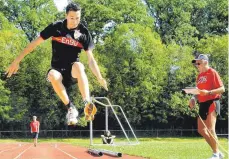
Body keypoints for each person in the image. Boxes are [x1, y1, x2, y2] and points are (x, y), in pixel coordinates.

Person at [6, 3, 108, 125]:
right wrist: (17, 60)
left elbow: (91, 60)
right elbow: (34, 44)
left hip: (72, 71)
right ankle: (70, 108)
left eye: (77, 18)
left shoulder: (84, 33)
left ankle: (87, 104)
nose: (75, 21)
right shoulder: (56, 27)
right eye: (72, 18)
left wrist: (99, 77)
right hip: (58, 70)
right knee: (53, 75)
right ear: (66, 16)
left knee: (79, 66)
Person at [189, 54, 225, 159]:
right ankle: (217, 152)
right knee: (201, 130)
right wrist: (193, 98)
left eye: (198, 63)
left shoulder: (212, 72)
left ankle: (216, 154)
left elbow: (222, 89)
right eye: (196, 64)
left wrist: (209, 92)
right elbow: (198, 91)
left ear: (205, 62)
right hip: (203, 103)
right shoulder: (199, 76)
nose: (197, 65)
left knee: (210, 128)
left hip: (212, 101)